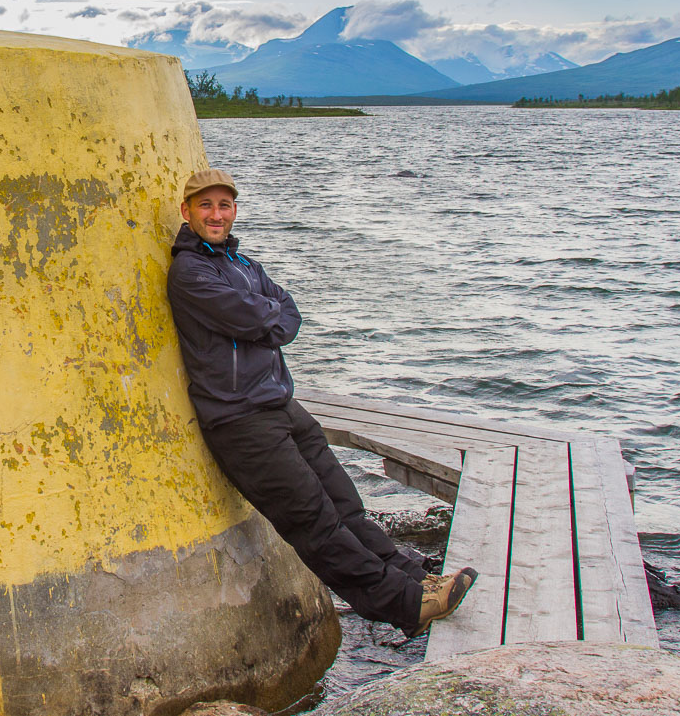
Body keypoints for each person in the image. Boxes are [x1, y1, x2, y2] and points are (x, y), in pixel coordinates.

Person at [166, 167, 475, 637]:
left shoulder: (244, 264)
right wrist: (265, 316)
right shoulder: (190, 272)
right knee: (315, 522)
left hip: (280, 405)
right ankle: (406, 606)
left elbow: (287, 314)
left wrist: (265, 316)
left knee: (346, 506)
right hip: (240, 420)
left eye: (224, 205)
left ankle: (414, 577)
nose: (216, 214)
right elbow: (259, 320)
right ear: (186, 211)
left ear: (234, 210)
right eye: (205, 205)